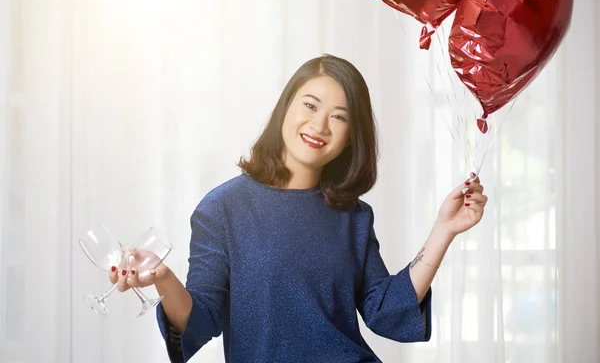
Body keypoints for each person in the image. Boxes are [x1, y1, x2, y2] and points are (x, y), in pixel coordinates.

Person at [109, 54, 487, 362]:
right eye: (310, 105)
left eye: (339, 116)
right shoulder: (223, 208)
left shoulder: (353, 216)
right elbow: (200, 320)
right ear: (285, 108)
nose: (319, 124)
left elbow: (385, 311)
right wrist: (162, 278)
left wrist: (444, 229)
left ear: (351, 137)